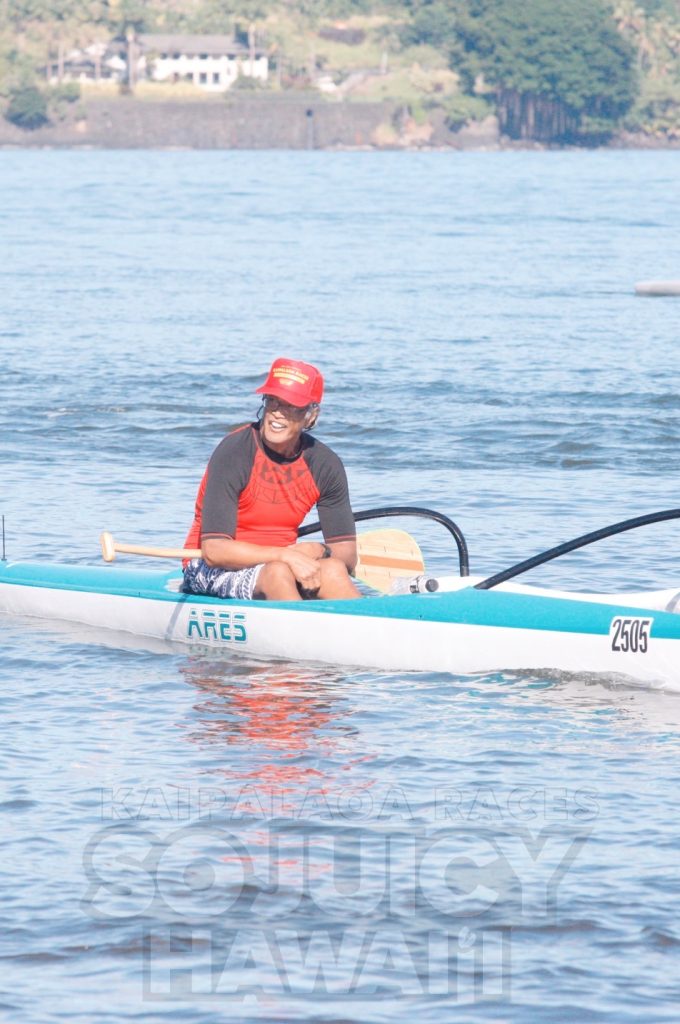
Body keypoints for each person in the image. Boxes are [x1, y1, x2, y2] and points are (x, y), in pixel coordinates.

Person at [183, 358, 360, 601]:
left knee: (333, 569)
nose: (278, 412)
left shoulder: (325, 464)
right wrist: (284, 556)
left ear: (311, 415)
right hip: (210, 567)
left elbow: (348, 555)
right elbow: (214, 550)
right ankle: (301, 635)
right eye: (273, 401)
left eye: (291, 406)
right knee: (277, 573)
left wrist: (318, 549)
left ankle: (368, 634)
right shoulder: (233, 452)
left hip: (283, 563)